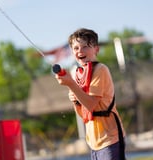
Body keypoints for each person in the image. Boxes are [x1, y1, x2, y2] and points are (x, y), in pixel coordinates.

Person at [54, 28, 126, 160]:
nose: (80, 51)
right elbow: (83, 114)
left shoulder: (100, 69)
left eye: (85, 47)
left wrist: (72, 85)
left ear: (96, 49)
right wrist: (75, 100)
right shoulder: (79, 74)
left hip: (109, 137)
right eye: (75, 48)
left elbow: (91, 104)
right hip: (93, 142)